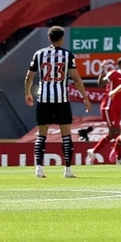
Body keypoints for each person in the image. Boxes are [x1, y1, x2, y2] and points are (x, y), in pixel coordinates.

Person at [24, 25, 91, 179]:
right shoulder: (68, 55)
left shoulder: (39, 54)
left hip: (43, 99)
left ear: (49, 38)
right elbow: (76, 78)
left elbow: (29, 77)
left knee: (41, 135)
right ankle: (67, 170)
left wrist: (27, 93)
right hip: (61, 99)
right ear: (62, 39)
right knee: (66, 135)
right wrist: (85, 97)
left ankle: (39, 169)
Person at [90, 56, 121, 164]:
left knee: (112, 134)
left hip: (118, 108)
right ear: (120, 65)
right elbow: (100, 84)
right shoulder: (113, 74)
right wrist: (103, 71)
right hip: (109, 107)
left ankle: (94, 151)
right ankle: (119, 157)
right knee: (118, 132)